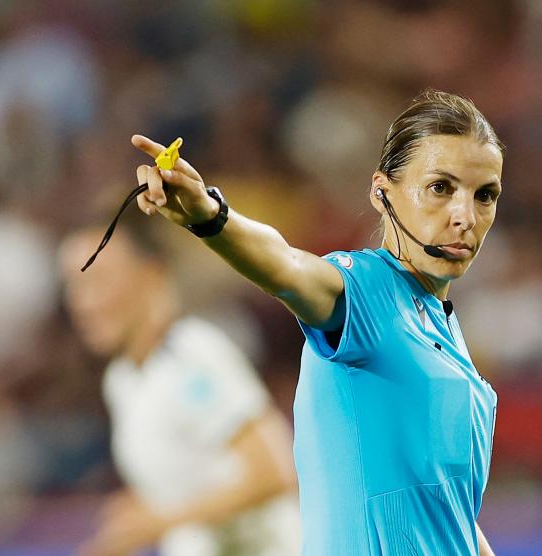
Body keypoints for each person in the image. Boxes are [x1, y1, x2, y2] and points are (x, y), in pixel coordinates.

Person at [129, 90, 500, 555]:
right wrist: (210, 215)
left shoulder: (443, 330)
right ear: (382, 192)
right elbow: (286, 266)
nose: (465, 216)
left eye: (484, 195)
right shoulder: (366, 293)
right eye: (440, 188)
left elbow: (448, 515)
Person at [58, 211, 302, 556]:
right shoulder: (122, 380)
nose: (83, 303)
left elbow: (273, 472)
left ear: (151, 275)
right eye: (73, 284)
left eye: (99, 280)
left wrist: (158, 522)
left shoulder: (193, 355)